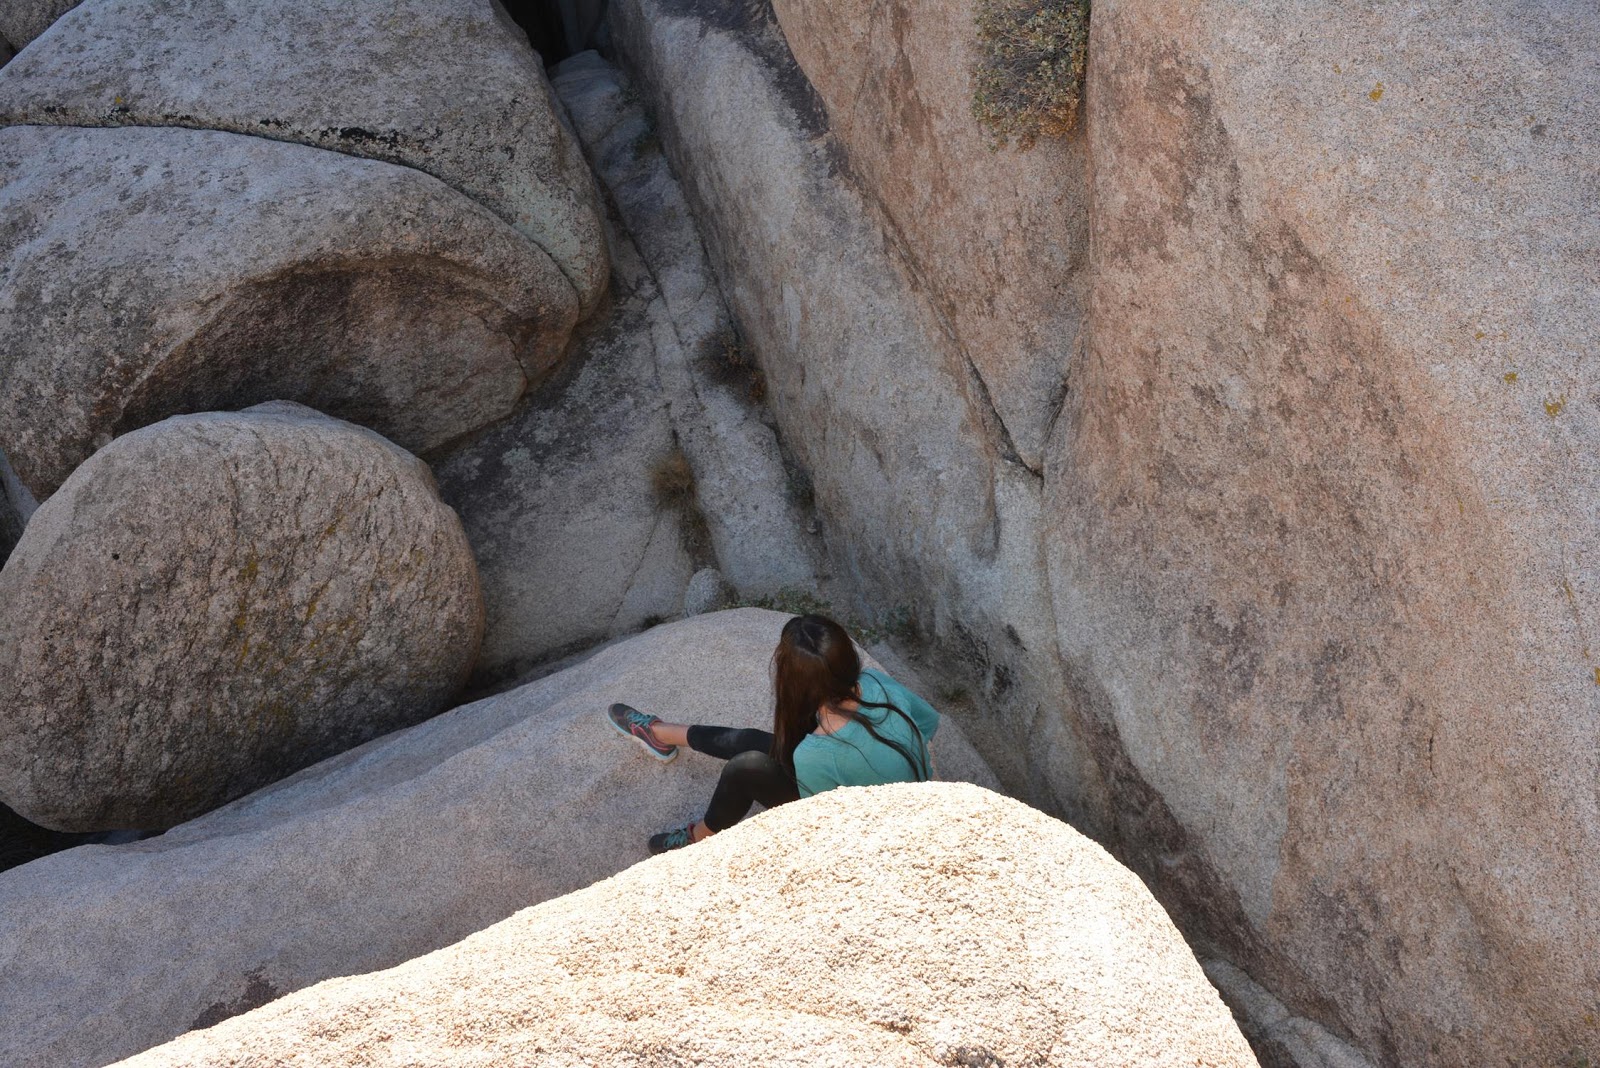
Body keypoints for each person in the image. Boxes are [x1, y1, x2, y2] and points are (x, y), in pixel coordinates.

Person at [606, 613, 941, 853]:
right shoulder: (876, 684)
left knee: (746, 767)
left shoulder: (817, 753)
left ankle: (699, 836)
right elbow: (928, 724)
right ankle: (660, 733)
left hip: (873, 831)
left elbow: (819, 824)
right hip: (900, 790)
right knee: (753, 742)